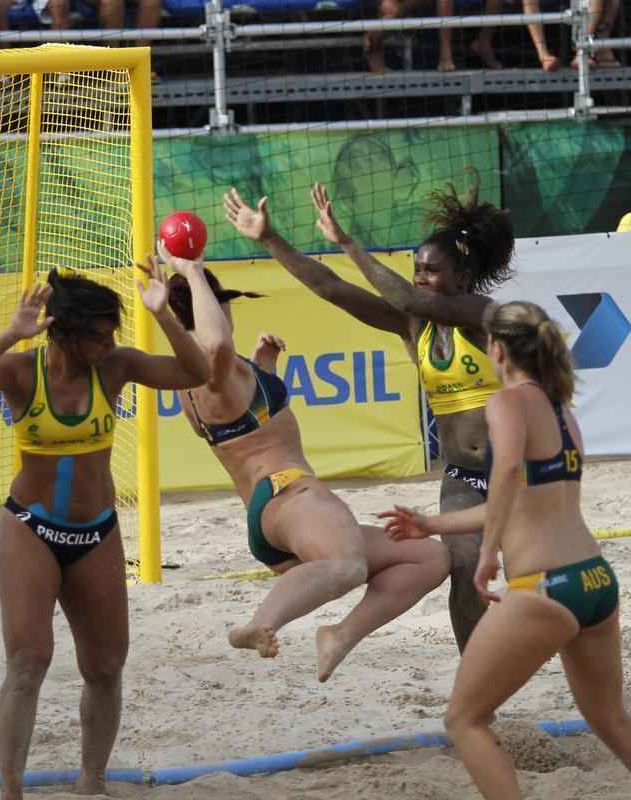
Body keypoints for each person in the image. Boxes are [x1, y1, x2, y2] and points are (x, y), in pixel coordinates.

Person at [0, 261, 210, 800]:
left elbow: (196, 373)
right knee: (28, 661)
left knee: (106, 667)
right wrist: (11, 333)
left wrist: (165, 317)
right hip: (30, 528)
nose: (110, 343)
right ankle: (10, 790)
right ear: (65, 332)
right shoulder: (22, 372)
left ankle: (92, 780)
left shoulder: (116, 368)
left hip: (96, 534)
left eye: (113, 333)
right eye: (100, 335)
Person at [223, 181, 513, 657]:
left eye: (432, 271)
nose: (421, 279)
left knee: (539, 577)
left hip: (518, 475)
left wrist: (348, 243)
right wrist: (271, 240)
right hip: (464, 477)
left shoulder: (483, 315)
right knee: (463, 573)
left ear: (462, 276)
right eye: (416, 270)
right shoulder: (414, 326)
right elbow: (330, 288)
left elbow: (415, 301)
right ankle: (475, 689)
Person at [382, 300, 631, 799]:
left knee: (464, 719)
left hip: (544, 587)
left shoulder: (507, 402)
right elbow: (521, 500)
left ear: (495, 348)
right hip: (594, 580)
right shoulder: (561, 410)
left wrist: (487, 554)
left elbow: (504, 475)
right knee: (610, 719)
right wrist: (431, 523)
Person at [164, 252, 448, 682]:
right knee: (347, 565)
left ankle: (339, 635)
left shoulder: (201, 381)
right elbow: (217, 343)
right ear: (215, 306)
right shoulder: (209, 366)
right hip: (289, 494)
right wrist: (192, 272)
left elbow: (244, 427)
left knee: (428, 557)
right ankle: (260, 622)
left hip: (273, 518)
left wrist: (263, 369)